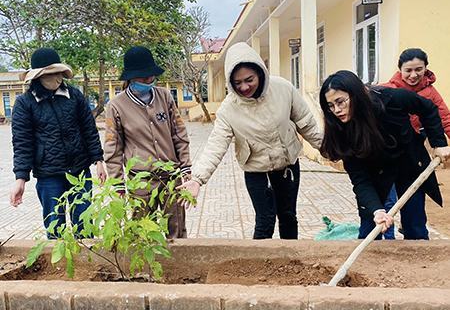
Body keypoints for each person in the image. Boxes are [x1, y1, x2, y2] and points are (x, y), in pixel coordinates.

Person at [179, 42, 323, 240]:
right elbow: (215, 145)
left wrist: (329, 149)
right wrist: (197, 179)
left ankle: (291, 262)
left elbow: (306, 124)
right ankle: (261, 268)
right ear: (230, 82)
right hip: (255, 171)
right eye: (237, 83)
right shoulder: (228, 109)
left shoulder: (283, 89)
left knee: (288, 216)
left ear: (260, 73)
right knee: (265, 220)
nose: (244, 87)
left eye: (249, 80)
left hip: (287, 166)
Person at [319, 70, 450, 240]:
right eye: (330, 106)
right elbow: (360, 178)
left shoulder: (391, 99)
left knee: (414, 225)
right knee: (370, 225)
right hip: (375, 172)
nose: (337, 110)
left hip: (408, 163)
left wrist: (438, 142)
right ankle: (368, 264)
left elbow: (428, 108)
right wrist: (377, 210)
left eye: (340, 102)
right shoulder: (341, 131)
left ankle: (418, 264)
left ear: (356, 95)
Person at [10, 47, 105, 238]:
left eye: (59, 74)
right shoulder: (25, 103)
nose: (58, 79)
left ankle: (87, 264)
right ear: (38, 77)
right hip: (48, 175)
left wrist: (98, 160)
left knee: (84, 224)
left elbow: (89, 130)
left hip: (79, 171)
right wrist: (20, 178)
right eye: (51, 75)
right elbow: (22, 143)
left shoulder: (74, 96)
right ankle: (60, 267)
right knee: (55, 227)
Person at [104, 46, 191, 239]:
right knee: (143, 234)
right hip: (141, 181)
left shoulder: (165, 97)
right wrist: (118, 184)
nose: (148, 81)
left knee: (176, 230)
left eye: (151, 76)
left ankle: (177, 268)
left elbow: (179, 134)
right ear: (131, 78)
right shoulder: (116, 106)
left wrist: (185, 167)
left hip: (171, 178)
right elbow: (113, 148)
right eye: (143, 78)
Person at [382, 48, 450, 238]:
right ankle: (383, 246)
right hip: (386, 156)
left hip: (412, 158)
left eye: (418, 69)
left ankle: (417, 243)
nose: (414, 75)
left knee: (413, 208)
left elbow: (445, 119)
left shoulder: (430, 93)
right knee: (385, 206)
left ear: (426, 69)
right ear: (400, 70)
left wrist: (442, 145)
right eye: (408, 70)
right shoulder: (388, 90)